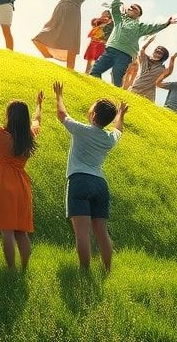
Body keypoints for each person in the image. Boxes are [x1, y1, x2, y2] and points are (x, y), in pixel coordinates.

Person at [52, 80, 126, 273]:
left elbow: (62, 114)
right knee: (101, 231)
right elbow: (119, 130)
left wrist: (59, 95)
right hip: (100, 184)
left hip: (79, 181)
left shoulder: (82, 130)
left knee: (82, 233)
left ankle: (84, 271)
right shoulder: (108, 139)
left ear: (93, 115)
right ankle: (107, 269)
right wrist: (121, 114)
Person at [0, 83, 41, 269]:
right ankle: (24, 266)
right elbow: (37, 121)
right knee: (20, 230)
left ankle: (11, 269)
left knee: (7, 230)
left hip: (4, 184)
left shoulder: (0, 134)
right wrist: (39, 104)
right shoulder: (29, 135)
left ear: (9, 116)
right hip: (22, 185)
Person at [89, 0, 177, 86]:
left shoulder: (139, 26)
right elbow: (115, 6)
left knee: (117, 74)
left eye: (135, 8)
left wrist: (167, 23)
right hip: (111, 49)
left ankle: (115, 97)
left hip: (125, 55)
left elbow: (153, 27)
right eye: (131, 6)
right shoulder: (119, 18)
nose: (132, 8)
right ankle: (95, 88)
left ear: (138, 15)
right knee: (95, 70)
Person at [127, 36, 169, 101]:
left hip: (147, 94)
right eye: (156, 51)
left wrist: (172, 60)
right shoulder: (145, 60)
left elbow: (168, 72)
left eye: (160, 53)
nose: (157, 53)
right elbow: (142, 50)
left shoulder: (161, 69)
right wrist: (148, 42)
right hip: (135, 87)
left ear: (163, 57)